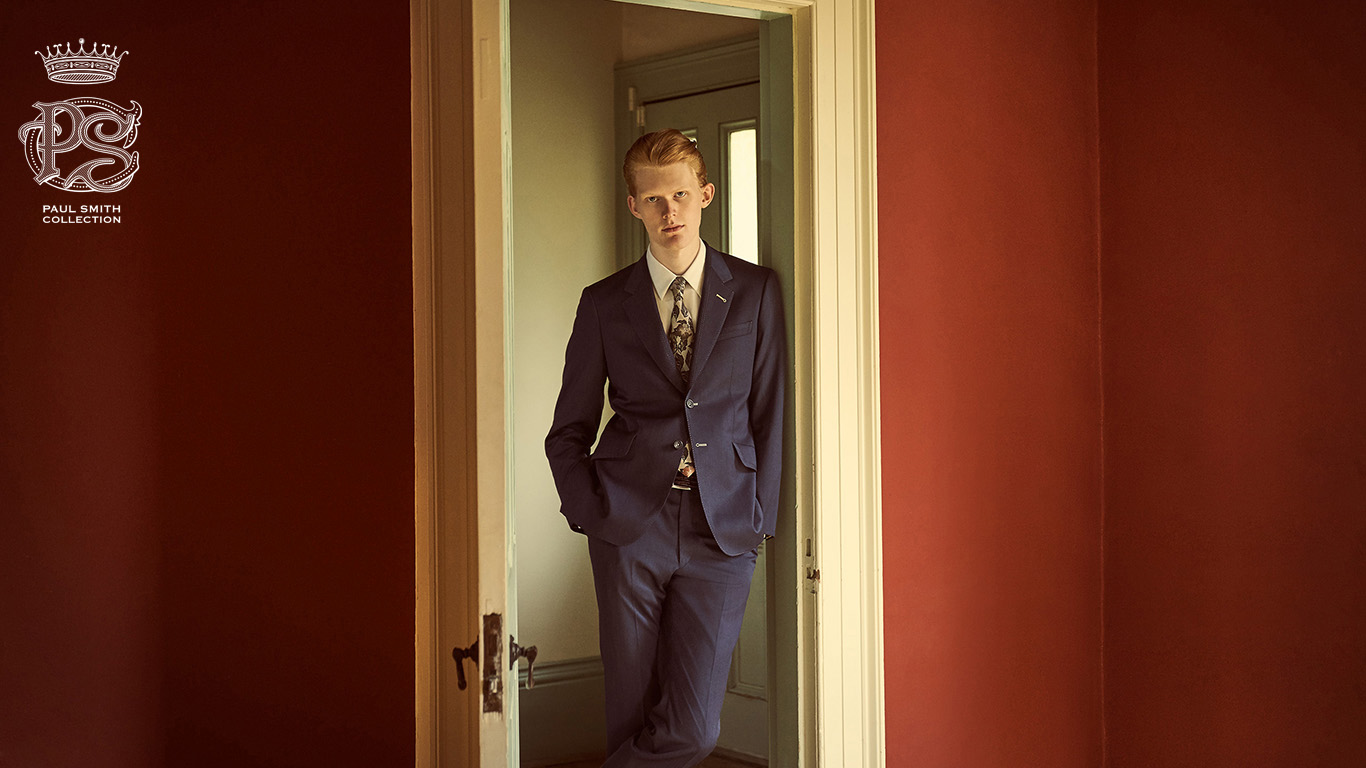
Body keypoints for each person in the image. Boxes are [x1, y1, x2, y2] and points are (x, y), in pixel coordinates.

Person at [545, 128, 786, 767]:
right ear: (634, 206)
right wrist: (590, 512)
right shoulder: (603, 303)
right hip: (629, 526)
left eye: (680, 195)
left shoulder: (755, 292)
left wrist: (758, 517)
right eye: (653, 199)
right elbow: (567, 428)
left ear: (706, 194)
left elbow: (769, 414)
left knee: (695, 727)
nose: (669, 212)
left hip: (722, 528)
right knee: (630, 711)